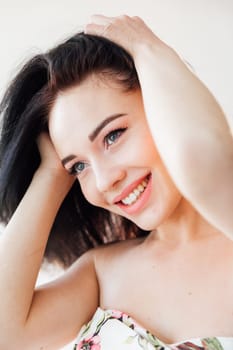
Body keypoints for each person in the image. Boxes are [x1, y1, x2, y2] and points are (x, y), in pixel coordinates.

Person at [0, 14, 232, 350]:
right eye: (79, 166)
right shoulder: (102, 274)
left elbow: (202, 160)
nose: (105, 181)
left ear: (160, 103)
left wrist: (149, 49)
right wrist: (52, 172)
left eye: (113, 135)